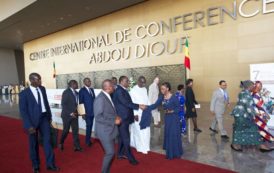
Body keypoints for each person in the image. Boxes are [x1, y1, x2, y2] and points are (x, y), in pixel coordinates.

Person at [19, 73, 59, 173]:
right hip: (32, 122)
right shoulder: (24, 93)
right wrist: (28, 125)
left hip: (44, 119)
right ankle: (35, 165)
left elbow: (45, 102)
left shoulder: (42, 89)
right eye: (37, 79)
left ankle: (50, 164)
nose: (40, 81)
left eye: (40, 79)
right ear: (31, 80)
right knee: (33, 144)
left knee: (47, 142)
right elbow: (23, 111)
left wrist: (49, 117)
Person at [113, 76, 146, 165]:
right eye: (126, 81)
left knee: (121, 137)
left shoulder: (123, 90)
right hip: (122, 119)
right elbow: (126, 103)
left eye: (128, 81)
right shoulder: (119, 91)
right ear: (121, 81)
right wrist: (139, 106)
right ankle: (131, 159)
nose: (128, 82)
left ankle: (120, 154)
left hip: (124, 118)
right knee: (126, 139)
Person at [231, 80, 272, 152]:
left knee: (253, 129)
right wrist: (256, 114)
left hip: (245, 115)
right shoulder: (245, 94)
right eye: (253, 86)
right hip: (241, 115)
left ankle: (261, 145)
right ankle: (235, 144)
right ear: (249, 86)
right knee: (239, 129)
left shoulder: (246, 93)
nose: (254, 87)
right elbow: (248, 106)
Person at [149, 82, 183, 159]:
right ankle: (170, 150)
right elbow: (155, 105)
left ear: (168, 89)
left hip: (174, 119)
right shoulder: (161, 97)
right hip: (167, 119)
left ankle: (175, 153)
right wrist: (146, 107)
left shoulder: (174, 97)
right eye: (161, 89)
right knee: (168, 134)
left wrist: (172, 111)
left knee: (173, 134)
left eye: (163, 89)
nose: (161, 90)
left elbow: (179, 109)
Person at [94, 79, 121, 173]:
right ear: (108, 87)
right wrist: (114, 121)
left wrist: (115, 116)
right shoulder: (100, 98)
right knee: (110, 153)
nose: (114, 87)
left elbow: (108, 112)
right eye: (113, 86)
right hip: (104, 131)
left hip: (109, 130)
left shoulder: (106, 96)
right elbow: (98, 117)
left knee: (110, 153)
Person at [59, 80, 83, 152]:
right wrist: (70, 113)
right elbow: (64, 104)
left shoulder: (76, 92)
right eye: (76, 83)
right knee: (66, 130)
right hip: (67, 115)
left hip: (75, 115)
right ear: (72, 84)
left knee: (75, 131)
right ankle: (61, 142)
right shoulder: (66, 92)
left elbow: (77, 103)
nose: (78, 85)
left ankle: (77, 146)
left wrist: (79, 112)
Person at [130, 76, 150, 154]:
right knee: (138, 131)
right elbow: (132, 103)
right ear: (138, 81)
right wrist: (135, 114)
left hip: (145, 113)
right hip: (137, 113)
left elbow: (147, 100)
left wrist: (149, 108)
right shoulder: (133, 90)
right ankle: (140, 147)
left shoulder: (145, 89)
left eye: (144, 82)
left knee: (146, 131)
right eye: (142, 82)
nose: (143, 84)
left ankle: (145, 146)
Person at [252, 81, 274, 147]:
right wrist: (263, 114)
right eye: (257, 86)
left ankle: (263, 137)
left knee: (263, 127)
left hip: (262, 113)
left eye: (260, 86)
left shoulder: (258, 94)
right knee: (261, 127)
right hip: (259, 114)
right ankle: (263, 138)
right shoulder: (255, 95)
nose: (259, 87)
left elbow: (261, 105)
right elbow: (257, 106)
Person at [79, 77, 95, 147]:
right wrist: (82, 113)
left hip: (93, 112)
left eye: (90, 81)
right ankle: (87, 141)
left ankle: (88, 140)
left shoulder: (92, 90)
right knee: (88, 126)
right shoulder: (82, 91)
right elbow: (80, 102)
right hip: (87, 112)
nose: (89, 82)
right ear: (84, 82)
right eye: (88, 81)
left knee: (90, 126)